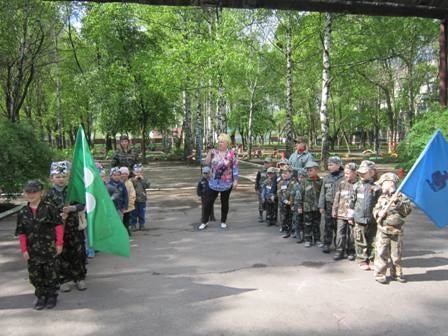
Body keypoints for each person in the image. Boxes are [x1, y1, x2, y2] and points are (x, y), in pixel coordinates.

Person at [16, 180, 64, 310]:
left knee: (51, 273)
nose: (31, 194)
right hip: (33, 250)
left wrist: (59, 244)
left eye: (34, 192)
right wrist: (24, 250)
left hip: (49, 248)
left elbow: (58, 226)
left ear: (41, 193)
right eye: (28, 192)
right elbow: (21, 233)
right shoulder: (22, 212)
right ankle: (41, 296)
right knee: (35, 275)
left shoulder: (50, 208)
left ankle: (52, 295)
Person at [44, 161, 87, 292]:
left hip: (74, 229)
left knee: (78, 253)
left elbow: (83, 204)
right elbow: (45, 212)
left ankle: (79, 278)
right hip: (58, 231)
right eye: (57, 176)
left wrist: (72, 208)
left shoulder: (72, 190)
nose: (61, 179)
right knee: (61, 254)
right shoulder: (48, 194)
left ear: (68, 177)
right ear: (52, 178)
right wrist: (58, 215)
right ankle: (64, 279)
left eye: (63, 176)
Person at [373, 173, 412, 284]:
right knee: (381, 252)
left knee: (396, 253)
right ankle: (380, 273)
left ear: (390, 184)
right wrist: (378, 213)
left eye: (382, 184)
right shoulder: (382, 197)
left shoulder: (401, 198)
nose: (381, 187)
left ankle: (396, 273)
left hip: (396, 230)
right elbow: (375, 209)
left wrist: (397, 201)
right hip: (383, 229)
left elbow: (407, 211)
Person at [198, 133, 239, 230]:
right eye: (219, 141)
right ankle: (204, 221)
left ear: (227, 143)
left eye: (222, 142)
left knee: (225, 203)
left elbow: (235, 167)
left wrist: (236, 180)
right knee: (208, 202)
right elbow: (206, 163)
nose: (219, 143)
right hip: (213, 182)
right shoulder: (214, 152)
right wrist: (208, 153)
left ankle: (223, 221)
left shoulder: (232, 154)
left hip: (227, 183)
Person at [349, 160, 381, 271]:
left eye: (364, 172)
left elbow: (380, 202)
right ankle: (362, 259)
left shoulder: (377, 188)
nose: (361, 175)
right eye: (360, 173)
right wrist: (350, 215)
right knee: (360, 239)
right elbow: (352, 201)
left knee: (373, 240)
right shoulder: (356, 186)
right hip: (359, 218)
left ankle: (372, 259)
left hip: (373, 219)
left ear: (372, 172)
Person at [332, 162, 358, 261]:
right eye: (345, 173)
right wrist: (334, 209)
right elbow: (337, 197)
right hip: (341, 213)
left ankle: (351, 251)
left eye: (348, 173)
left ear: (355, 173)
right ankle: (340, 251)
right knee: (340, 233)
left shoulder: (358, 185)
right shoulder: (342, 183)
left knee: (352, 233)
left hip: (352, 214)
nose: (345, 175)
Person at [318, 156, 344, 253]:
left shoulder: (344, 176)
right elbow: (322, 193)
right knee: (328, 226)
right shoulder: (327, 177)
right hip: (329, 205)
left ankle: (339, 245)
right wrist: (321, 205)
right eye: (328, 165)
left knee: (339, 227)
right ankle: (326, 244)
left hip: (341, 206)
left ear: (338, 165)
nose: (329, 167)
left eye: (331, 165)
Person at [296, 161, 322, 247]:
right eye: (307, 170)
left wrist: (322, 206)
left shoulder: (320, 181)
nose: (308, 172)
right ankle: (308, 239)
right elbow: (299, 195)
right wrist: (299, 206)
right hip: (307, 207)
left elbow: (322, 195)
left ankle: (317, 239)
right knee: (307, 224)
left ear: (316, 170)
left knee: (316, 224)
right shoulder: (304, 182)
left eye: (310, 170)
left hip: (317, 207)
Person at [277, 165, 297, 238]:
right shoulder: (280, 182)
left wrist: (291, 202)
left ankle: (293, 231)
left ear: (291, 173)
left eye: (286, 173)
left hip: (292, 204)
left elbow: (295, 193)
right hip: (284, 204)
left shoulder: (294, 182)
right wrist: (285, 201)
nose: (283, 174)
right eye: (282, 173)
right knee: (284, 217)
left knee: (293, 218)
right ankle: (286, 231)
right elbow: (279, 193)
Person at [107, 167, 129, 231]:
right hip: (111, 207)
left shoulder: (122, 184)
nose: (116, 177)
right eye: (114, 175)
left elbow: (126, 196)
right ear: (111, 176)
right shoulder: (108, 185)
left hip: (120, 207)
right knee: (112, 221)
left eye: (118, 175)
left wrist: (125, 206)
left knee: (120, 221)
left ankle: (119, 234)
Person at [131, 163, 151, 231]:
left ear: (142, 172)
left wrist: (142, 180)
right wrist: (135, 180)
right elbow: (131, 186)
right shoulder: (132, 180)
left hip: (142, 199)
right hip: (134, 199)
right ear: (133, 172)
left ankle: (141, 224)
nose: (138, 173)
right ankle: (133, 225)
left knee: (142, 213)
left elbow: (147, 186)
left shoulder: (144, 179)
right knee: (133, 213)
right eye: (137, 172)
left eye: (140, 172)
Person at [255, 157, 274, 223]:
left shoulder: (274, 171)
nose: (266, 164)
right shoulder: (261, 170)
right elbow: (257, 179)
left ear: (271, 163)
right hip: (261, 189)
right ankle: (260, 216)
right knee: (261, 203)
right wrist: (256, 188)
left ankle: (268, 216)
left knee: (269, 203)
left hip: (270, 190)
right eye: (265, 163)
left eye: (268, 163)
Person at [120, 166, 136, 236]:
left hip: (127, 204)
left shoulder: (129, 183)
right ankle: (121, 231)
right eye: (122, 174)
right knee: (120, 219)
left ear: (128, 174)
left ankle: (127, 229)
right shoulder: (118, 183)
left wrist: (131, 201)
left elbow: (132, 193)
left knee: (127, 218)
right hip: (120, 205)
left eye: (125, 174)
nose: (124, 175)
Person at [293, 168, 307, 243]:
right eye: (299, 177)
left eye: (302, 177)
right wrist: (293, 205)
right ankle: (298, 235)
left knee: (304, 221)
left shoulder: (307, 185)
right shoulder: (296, 185)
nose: (300, 179)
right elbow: (293, 195)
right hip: (297, 206)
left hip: (305, 206)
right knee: (297, 220)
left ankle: (304, 236)